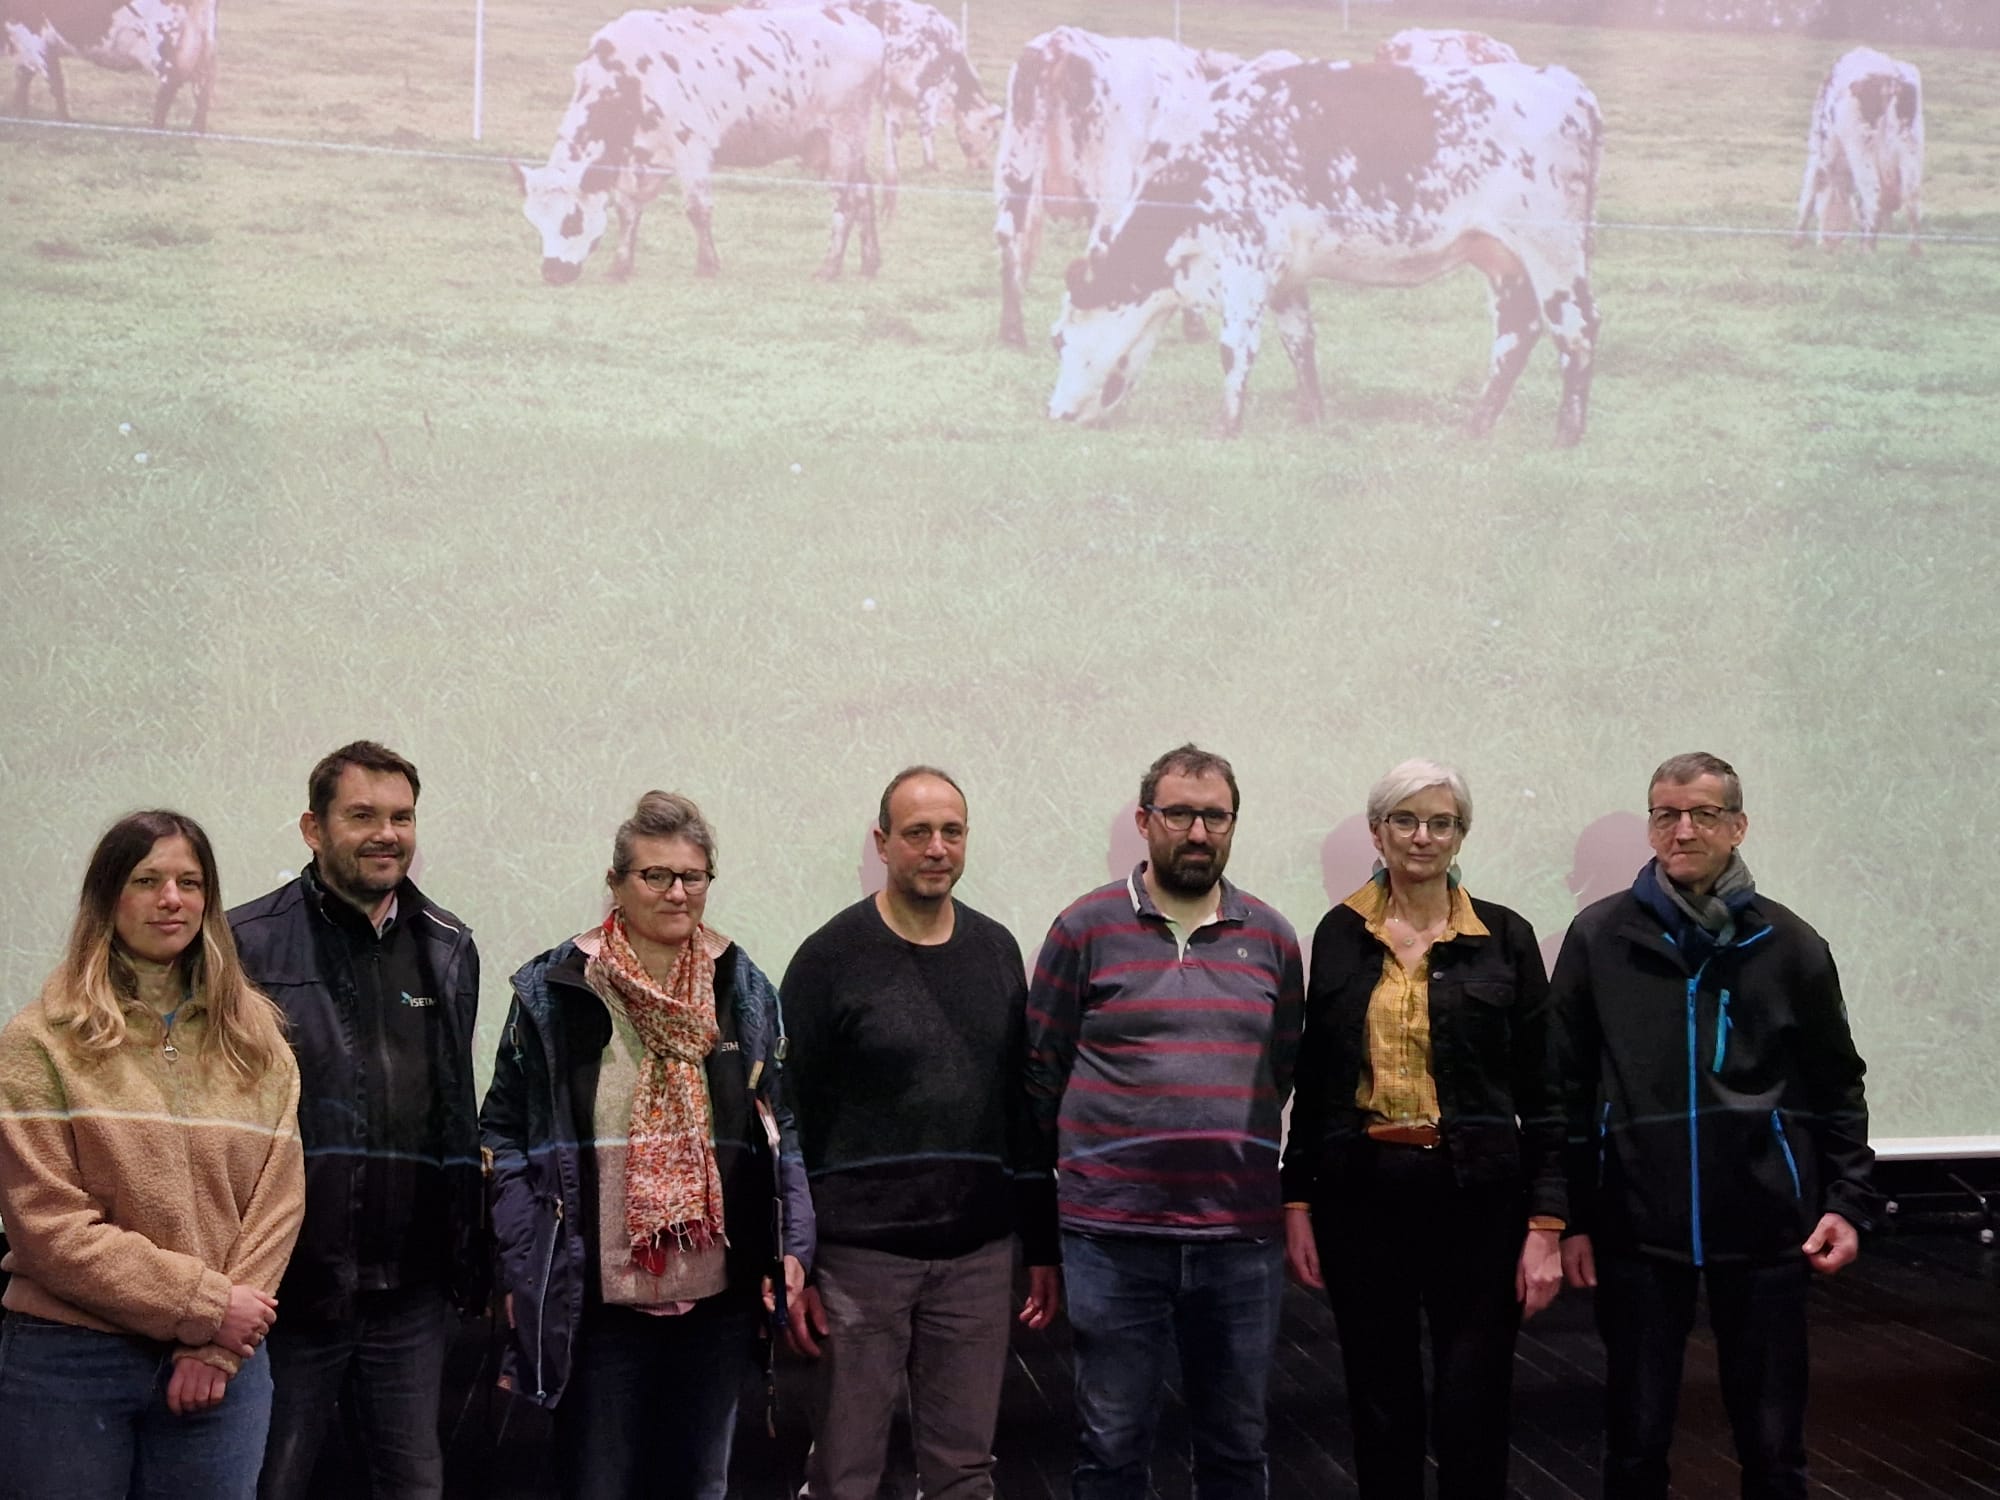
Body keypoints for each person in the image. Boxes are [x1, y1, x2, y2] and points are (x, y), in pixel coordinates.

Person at [1552, 752, 1875, 1500]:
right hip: (1636, 1224)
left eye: (1703, 814)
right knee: (1634, 1445)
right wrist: (1570, 1216)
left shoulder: (1790, 944)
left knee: (1774, 1448)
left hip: (1766, 1225)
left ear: (1738, 826)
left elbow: (1837, 1081)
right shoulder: (1599, 937)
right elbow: (1563, 1086)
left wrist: (1848, 1199)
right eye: (1666, 815)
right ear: (1650, 826)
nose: (1683, 830)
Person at [480, 790, 813, 1500]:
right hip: (598, 1308)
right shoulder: (557, 988)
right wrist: (524, 1259)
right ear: (616, 882)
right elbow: (503, 1133)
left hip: (717, 1305)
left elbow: (781, 1128)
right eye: (655, 875)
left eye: (692, 876)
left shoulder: (743, 987)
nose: (677, 891)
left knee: (699, 1484)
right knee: (598, 1484)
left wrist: (794, 1246)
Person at [1024, 743, 1303, 1500]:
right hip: (1112, 1237)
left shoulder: (1273, 938)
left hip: (1239, 1240)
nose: (1198, 833)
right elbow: (1042, 1074)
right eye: (1179, 814)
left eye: (1216, 816)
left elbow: (1279, 1069)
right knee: (1112, 1448)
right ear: (1145, 822)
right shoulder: (1083, 928)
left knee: (1237, 1448)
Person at [0, 810, 304, 1500]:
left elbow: (277, 1205)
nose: (171, 899)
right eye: (147, 880)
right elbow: (46, 1227)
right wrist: (206, 1306)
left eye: (189, 883)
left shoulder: (258, 1043)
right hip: (69, 1362)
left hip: (221, 1372)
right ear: (108, 897)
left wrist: (217, 1345)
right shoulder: (40, 1041)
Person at [1280, 760, 1563, 1499]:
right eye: (1404, 820)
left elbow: (1545, 1090)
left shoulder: (1506, 936)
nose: (1422, 836)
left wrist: (1547, 1221)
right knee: (1380, 1402)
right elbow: (1319, 1078)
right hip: (1362, 1196)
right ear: (1377, 832)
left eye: (1441, 822)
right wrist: (1297, 1198)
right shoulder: (1339, 933)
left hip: (1479, 1199)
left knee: (1474, 1401)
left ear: (1461, 834)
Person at [783, 766, 1059, 1500]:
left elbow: (1021, 1110)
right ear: (882, 843)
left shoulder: (997, 951)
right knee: (843, 1474)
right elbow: (789, 1117)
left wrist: (1041, 1243)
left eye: (952, 831)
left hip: (978, 1259)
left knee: (963, 1473)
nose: (937, 847)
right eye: (918, 833)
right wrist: (796, 1258)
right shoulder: (828, 958)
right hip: (857, 1265)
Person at [230, 741, 487, 1500]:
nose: (386, 834)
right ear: (313, 829)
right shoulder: (243, 944)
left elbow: (453, 1113)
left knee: (414, 1485)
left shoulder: (449, 946)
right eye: (363, 816)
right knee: (266, 1484)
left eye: (402, 817)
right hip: (285, 1291)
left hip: (411, 1294)